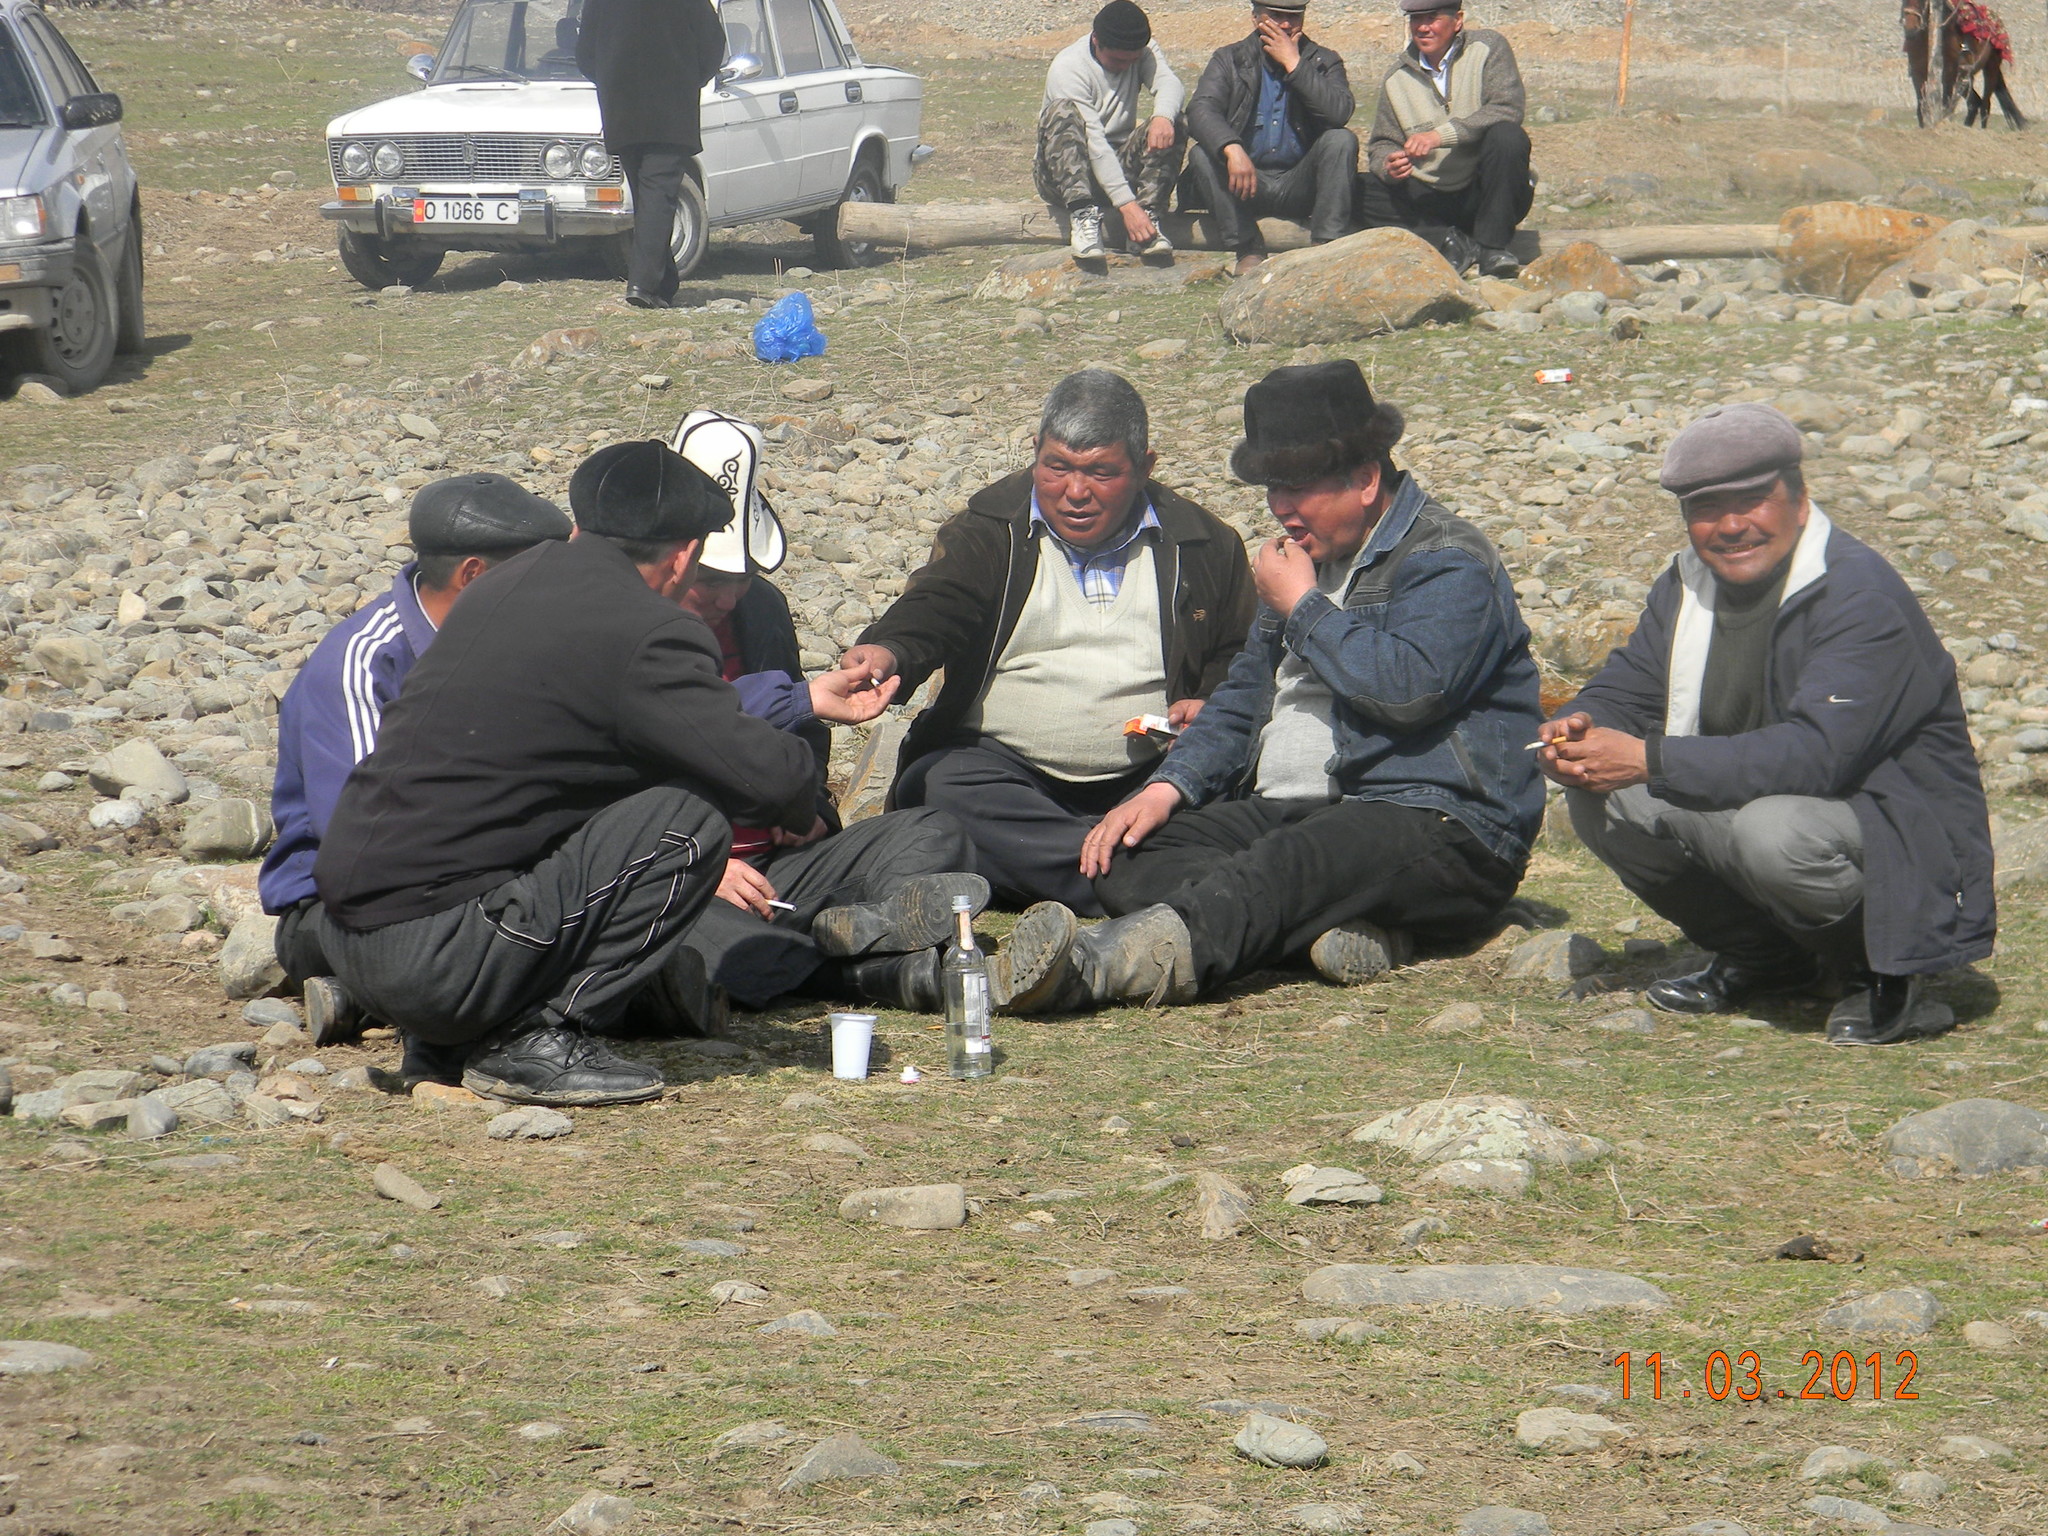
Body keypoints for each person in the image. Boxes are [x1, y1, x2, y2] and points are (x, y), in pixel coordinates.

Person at [985, 360, 1542, 1014]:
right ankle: (1343, 933)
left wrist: (1304, 606)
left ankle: (1105, 966)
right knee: (1132, 857)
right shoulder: (1299, 562)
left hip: (1437, 820)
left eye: (1298, 486)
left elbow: (1408, 691)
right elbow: (1245, 695)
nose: (1281, 506)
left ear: (1365, 479)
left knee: (1297, 862)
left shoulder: (1447, 560)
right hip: (1298, 812)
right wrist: (1169, 788)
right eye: (1273, 487)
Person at [306, 441, 821, 1107]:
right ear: (684, 555)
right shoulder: (646, 628)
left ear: (580, 525)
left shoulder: (502, 587)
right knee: (687, 823)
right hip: (438, 956)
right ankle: (540, 1037)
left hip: (348, 940)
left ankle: (457, 1038)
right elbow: (771, 784)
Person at [1540, 404, 1995, 1047]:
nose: (1731, 526)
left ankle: (1885, 971)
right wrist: (1574, 731)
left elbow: (1818, 756)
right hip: (1776, 797)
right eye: (1706, 510)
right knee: (1605, 799)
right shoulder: (1687, 585)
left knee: (1772, 833)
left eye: (1753, 501)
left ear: (1799, 500)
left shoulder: (1857, 595)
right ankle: (1768, 959)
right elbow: (1629, 685)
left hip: (1892, 825)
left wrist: (1650, 759)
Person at [840, 370, 1256, 916]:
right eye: (1057, 467)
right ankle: (1160, 882)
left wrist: (1208, 700)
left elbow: (1240, 653)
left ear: (1145, 468)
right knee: (940, 787)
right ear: (1035, 452)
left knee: (1234, 781)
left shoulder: (1206, 544)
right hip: (1007, 776)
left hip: (1151, 779)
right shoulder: (991, 529)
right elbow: (940, 604)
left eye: (1102, 473)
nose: (1075, 492)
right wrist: (890, 650)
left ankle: (1071, 868)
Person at [666, 410, 989, 1014]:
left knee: (935, 833)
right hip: (680, 874)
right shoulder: (619, 625)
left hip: (776, 862)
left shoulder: (759, 609)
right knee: (688, 936)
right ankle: (867, 968)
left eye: (742, 577)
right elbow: (625, 762)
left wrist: (805, 805)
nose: (727, 595)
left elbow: (804, 740)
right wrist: (694, 866)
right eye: (711, 577)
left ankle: (845, 934)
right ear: (670, 557)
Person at [260, 474, 571, 1046]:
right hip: (344, 904)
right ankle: (404, 993)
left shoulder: (513, 643)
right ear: (475, 575)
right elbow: (363, 836)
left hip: (475, 874)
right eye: (533, 575)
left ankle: (392, 999)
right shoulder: (365, 661)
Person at [1358, 0, 1531, 280]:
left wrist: (1441, 135)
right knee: (1357, 188)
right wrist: (1388, 164)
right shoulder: (1396, 78)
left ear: (1458, 20)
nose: (1423, 28)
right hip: (1429, 196)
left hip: (1486, 191)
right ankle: (1449, 241)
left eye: (1432, 18)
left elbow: (1507, 108)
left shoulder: (1488, 48)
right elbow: (1382, 143)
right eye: (1416, 20)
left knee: (1508, 136)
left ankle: (1493, 248)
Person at [1185, 0, 1357, 278]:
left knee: (1341, 140)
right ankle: (1248, 247)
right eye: (1276, 16)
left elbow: (1339, 113)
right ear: (1255, 18)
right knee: (1201, 155)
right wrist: (1232, 148)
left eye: (1293, 16)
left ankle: (1325, 247)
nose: (1286, 25)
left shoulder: (1323, 60)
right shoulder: (1229, 58)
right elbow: (1200, 109)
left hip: (1299, 182)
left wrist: (1294, 63)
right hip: (1245, 181)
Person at [576, 0, 726, 308]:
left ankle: (663, 284)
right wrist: (688, 79)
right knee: (657, 197)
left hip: (622, 110)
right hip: (670, 108)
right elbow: (713, 44)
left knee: (649, 200)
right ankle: (642, 284)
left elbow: (584, 53)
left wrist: (611, 80)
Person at [1035, 0, 1186, 262]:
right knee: (1063, 112)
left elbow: (1169, 84)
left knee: (1175, 120)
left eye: (1133, 60)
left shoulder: (1145, 51)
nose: (1125, 67)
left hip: (1117, 160)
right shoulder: (1069, 67)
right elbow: (1094, 143)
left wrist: (1163, 118)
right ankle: (1082, 215)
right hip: (1065, 171)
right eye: (1117, 60)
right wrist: (1127, 205)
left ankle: (1148, 220)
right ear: (1096, 41)